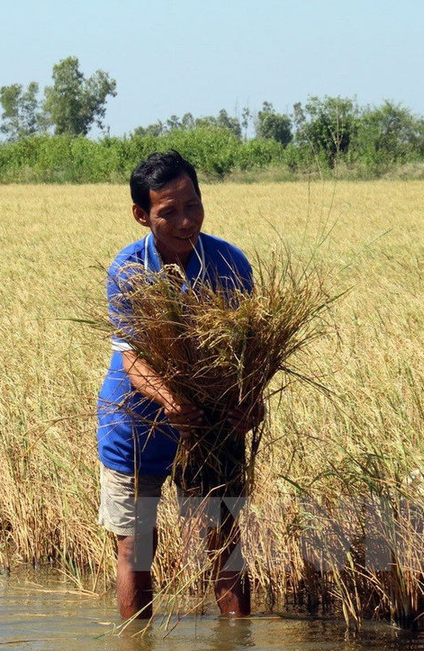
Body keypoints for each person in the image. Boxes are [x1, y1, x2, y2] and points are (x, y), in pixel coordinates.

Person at [97, 150, 264, 620]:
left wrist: (250, 403)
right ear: (141, 214)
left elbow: (247, 357)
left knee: (225, 541)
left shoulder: (229, 265)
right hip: (136, 425)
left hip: (211, 425)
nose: (185, 220)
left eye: (193, 205)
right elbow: (130, 356)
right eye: (168, 211)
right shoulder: (129, 270)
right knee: (137, 546)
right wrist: (170, 400)